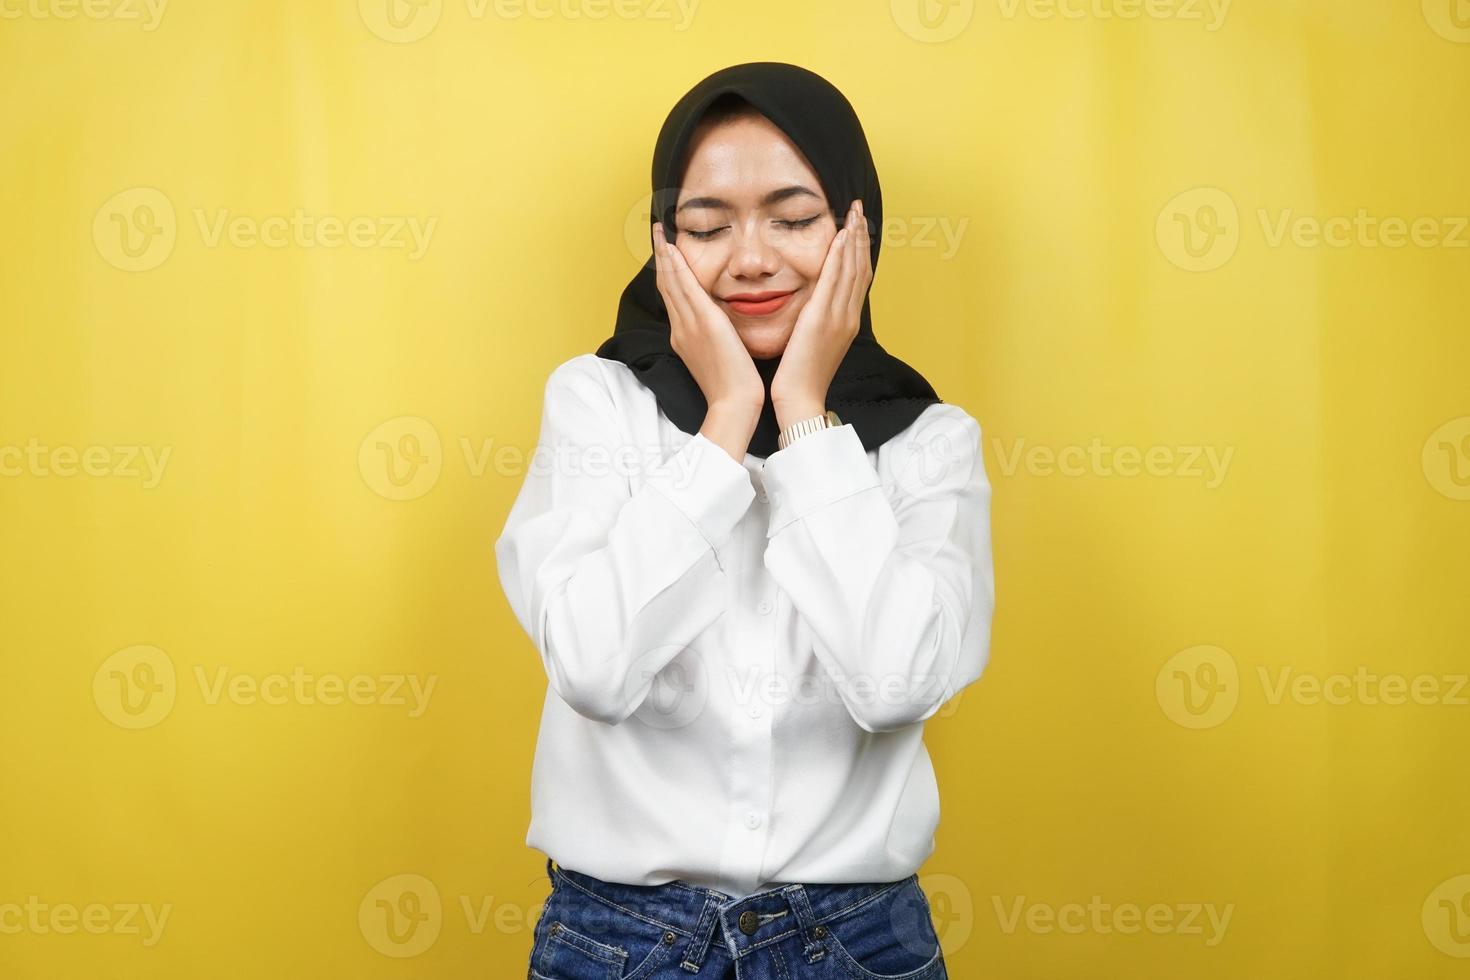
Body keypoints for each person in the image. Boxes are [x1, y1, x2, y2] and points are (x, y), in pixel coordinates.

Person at [495, 61, 994, 980]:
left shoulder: (930, 444)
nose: (752, 258)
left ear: (858, 230)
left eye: (796, 219)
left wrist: (804, 412)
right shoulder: (597, 404)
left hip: (857, 942)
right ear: (664, 244)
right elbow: (596, 671)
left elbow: (894, 686)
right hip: (620, 943)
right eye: (706, 226)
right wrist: (727, 422)